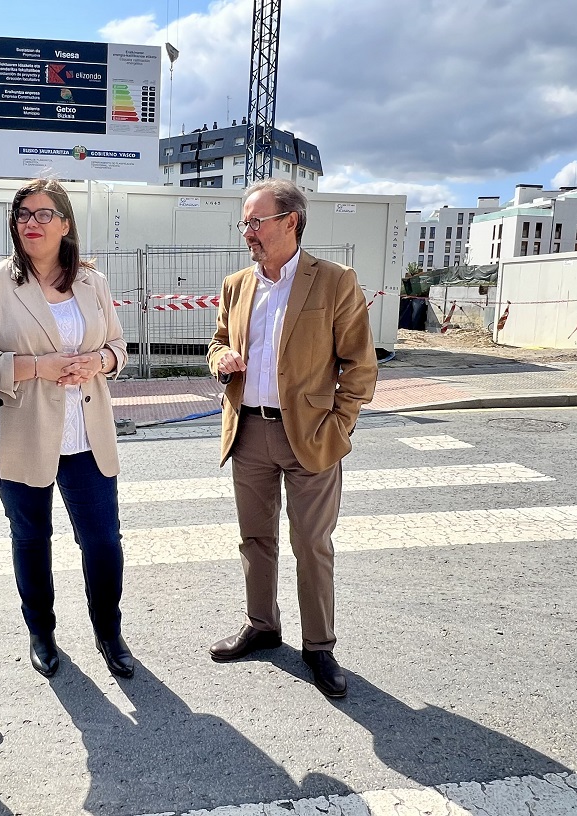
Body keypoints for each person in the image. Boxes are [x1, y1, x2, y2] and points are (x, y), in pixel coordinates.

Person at [207, 178, 377, 698]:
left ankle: (319, 646)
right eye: (245, 222)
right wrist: (221, 362)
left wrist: (338, 426)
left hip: (311, 436)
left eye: (256, 221)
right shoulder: (237, 285)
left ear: (291, 221)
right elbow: (216, 344)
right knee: (256, 539)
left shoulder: (333, 280)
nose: (248, 232)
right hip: (249, 431)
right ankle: (262, 624)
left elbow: (360, 368)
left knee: (311, 544)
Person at [0, 178, 132, 680]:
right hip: (25, 435)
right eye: (23, 214)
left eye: (44, 214)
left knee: (104, 541)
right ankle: (41, 632)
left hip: (88, 435)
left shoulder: (94, 282)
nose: (31, 223)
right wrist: (36, 367)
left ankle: (108, 631)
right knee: (31, 540)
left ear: (65, 224)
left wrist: (99, 360)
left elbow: (119, 348)